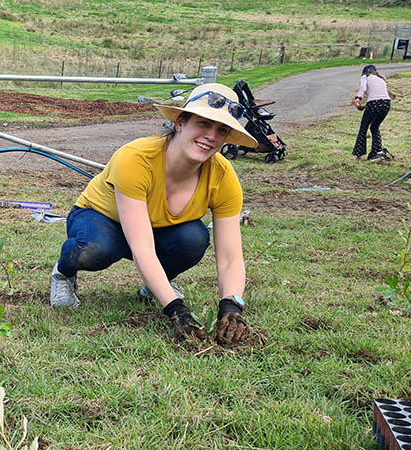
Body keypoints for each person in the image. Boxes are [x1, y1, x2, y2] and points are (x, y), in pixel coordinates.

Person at [49, 83, 256, 345]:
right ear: (180, 122)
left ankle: (155, 287)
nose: (211, 136)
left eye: (221, 130)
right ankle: (63, 273)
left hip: (157, 229)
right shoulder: (135, 159)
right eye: (204, 123)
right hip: (101, 218)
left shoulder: (223, 176)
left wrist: (232, 305)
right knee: (95, 249)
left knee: (193, 238)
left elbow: (230, 257)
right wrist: (175, 309)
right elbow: (142, 247)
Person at [353, 64, 394, 161]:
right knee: (374, 127)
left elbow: (363, 88)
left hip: (374, 103)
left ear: (364, 72)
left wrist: (357, 100)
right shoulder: (381, 79)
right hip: (386, 104)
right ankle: (377, 151)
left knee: (364, 127)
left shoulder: (365, 77)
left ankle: (359, 153)